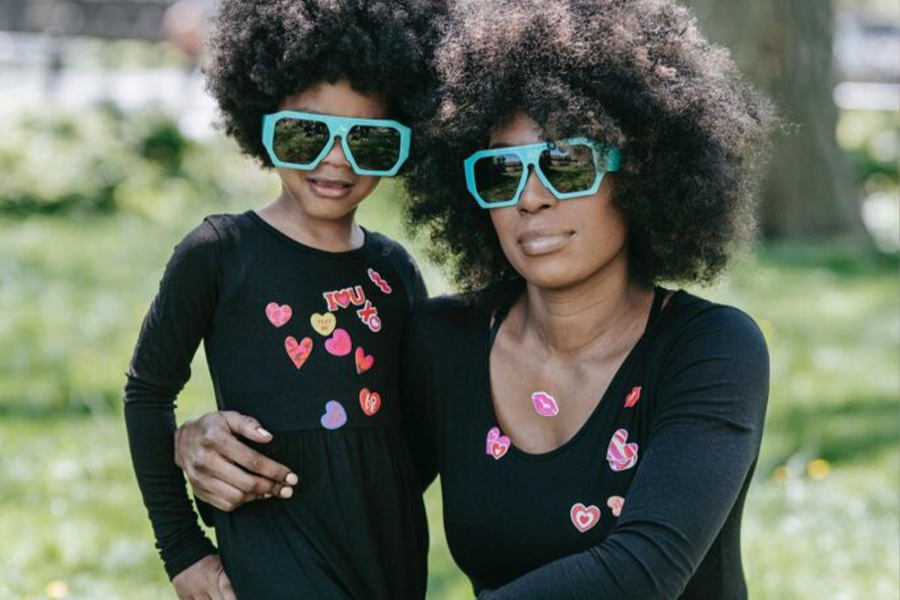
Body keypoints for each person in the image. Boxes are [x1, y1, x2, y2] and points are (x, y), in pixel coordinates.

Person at [173, 0, 776, 598]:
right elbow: (342, 481)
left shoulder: (710, 349)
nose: (531, 197)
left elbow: (642, 572)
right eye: (500, 172)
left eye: (566, 165)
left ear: (640, 172)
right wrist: (203, 448)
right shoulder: (446, 344)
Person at [122, 1, 444, 599]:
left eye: (370, 140)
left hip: (390, 567)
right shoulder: (217, 253)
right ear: (261, 123)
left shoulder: (395, 272)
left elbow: (415, 435)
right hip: (271, 569)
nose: (336, 159)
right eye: (305, 133)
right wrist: (183, 549)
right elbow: (148, 393)